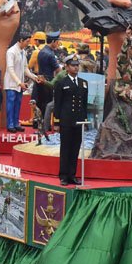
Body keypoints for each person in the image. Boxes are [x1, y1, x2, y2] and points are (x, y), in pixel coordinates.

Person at [53, 54, 88, 186]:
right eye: (73, 65)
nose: (76, 67)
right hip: (66, 120)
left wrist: (85, 119)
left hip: (79, 121)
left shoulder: (83, 83)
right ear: (66, 67)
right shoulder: (61, 83)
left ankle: (72, 174)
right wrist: (57, 121)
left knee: (75, 148)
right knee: (65, 148)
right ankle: (63, 175)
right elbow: (58, 104)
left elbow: (84, 104)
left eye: (77, 65)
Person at [4, 33, 40, 133]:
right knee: (11, 104)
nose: (28, 44)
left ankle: (16, 123)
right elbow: (10, 69)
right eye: (27, 41)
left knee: (18, 104)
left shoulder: (23, 52)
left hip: (20, 83)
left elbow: (25, 68)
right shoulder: (11, 51)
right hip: (11, 83)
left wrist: (34, 77)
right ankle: (10, 124)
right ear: (20, 40)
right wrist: (19, 82)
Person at [36, 31, 61, 121]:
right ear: (53, 42)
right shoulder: (50, 54)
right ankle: (45, 126)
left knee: (41, 103)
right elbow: (59, 70)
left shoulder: (42, 51)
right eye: (57, 42)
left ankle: (41, 123)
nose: (58, 44)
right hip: (48, 81)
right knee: (47, 104)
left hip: (40, 79)